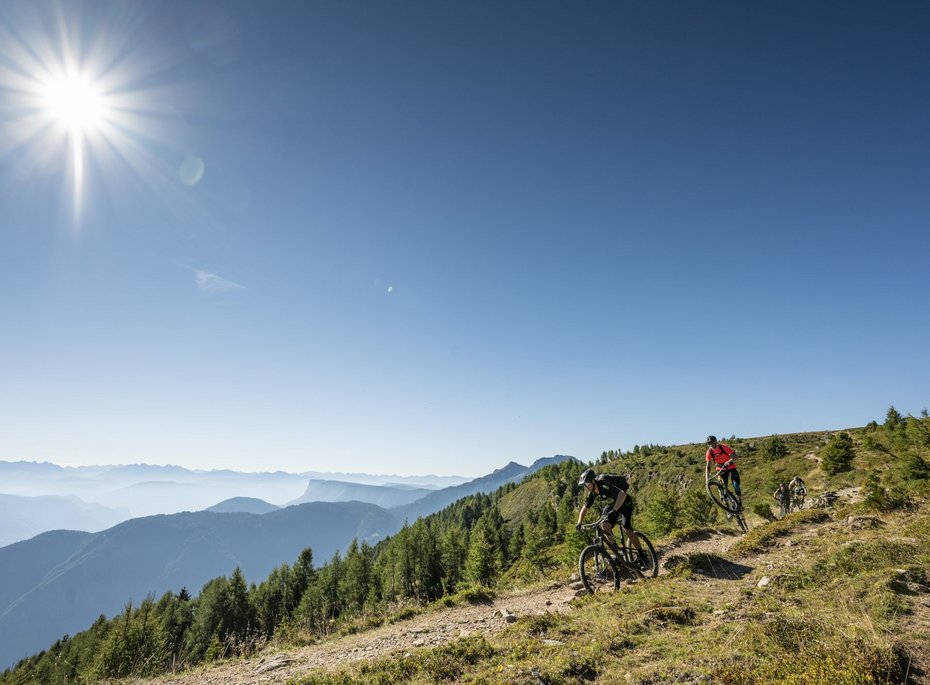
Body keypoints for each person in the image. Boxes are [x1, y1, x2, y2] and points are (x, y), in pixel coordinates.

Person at [574, 468, 644, 565]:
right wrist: (579, 522)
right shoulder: (592, 493)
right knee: (605, 525)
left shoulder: (604, 484)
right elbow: (584, 508)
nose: (586, 487)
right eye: (584, 485)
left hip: (624, 501)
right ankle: (617, 551)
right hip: (613, 504)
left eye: (586, 484)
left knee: (626, 528)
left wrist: (614, 510)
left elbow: (622, 494)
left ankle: (642, 555)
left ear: (593, 481)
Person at [704, 435, 741, 503]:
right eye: (709, 443)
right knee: (722, 486)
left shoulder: (723, 447)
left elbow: (735, 457)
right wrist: (707, 478)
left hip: (731, 467)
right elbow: (708, 466)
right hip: (720, 468)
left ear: (715, 442)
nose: (711, 444)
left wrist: (728, 462)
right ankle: (726, 503)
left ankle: (738, 499)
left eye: (712, 442)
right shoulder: (709, 452)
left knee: (736, 484)